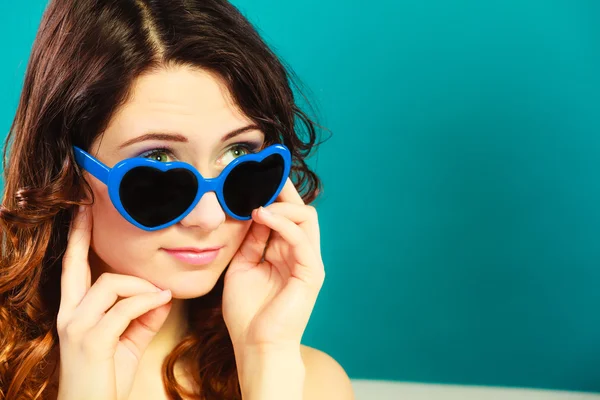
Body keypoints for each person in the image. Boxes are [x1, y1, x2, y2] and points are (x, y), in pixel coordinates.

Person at [0, 0, 354, 399]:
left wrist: (266, 362)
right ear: (66, 170)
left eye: (239, 155)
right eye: (157, 160)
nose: (209, 218)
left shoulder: (312, 383)